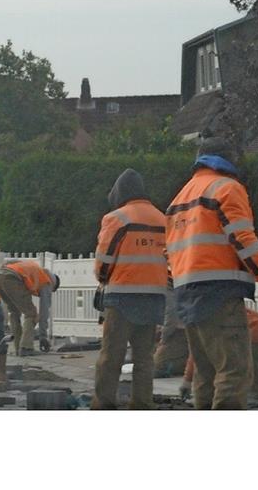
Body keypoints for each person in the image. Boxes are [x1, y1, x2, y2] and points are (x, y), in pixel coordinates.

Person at [166, 137, 258, 410]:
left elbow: (169, 253)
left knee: (205, 373)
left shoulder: (179, 198)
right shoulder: (227, 188)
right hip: (219, 293)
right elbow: (242, 238)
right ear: (229, 159)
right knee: (235, 370)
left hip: (187, 295)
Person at [91, 169, 168, 410]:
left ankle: (104, 403)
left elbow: (104, 258)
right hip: (154, 296)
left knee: (111, 355)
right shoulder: (162, 219)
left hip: (122, 296)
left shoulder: (117, 218)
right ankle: (142, 403)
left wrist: (103, 280)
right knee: (144, 357)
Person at [180, 308, 258, 405]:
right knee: (227, 355)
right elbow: (198, 352)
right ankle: (254, 387)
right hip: (257, 347)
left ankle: (255, 393)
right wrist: (187, 381)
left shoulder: (230, 315)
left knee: (237, 352)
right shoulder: (205, 323)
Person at [0, 259, 59, 356]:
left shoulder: (33, 267)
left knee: (14, 312)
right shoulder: (47, 282)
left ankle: (18, 347)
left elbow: (9, 262)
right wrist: (43, 337)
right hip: (12, 279)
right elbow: (44, 312)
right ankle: (26, 348)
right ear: (54, 284)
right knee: (31, 314)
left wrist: (1, 273)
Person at [153, 274, 189, 377]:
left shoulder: (165, 289)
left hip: (179, 333)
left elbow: (171, 318)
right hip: (180, 330)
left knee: (155, 368)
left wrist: (163, 339)